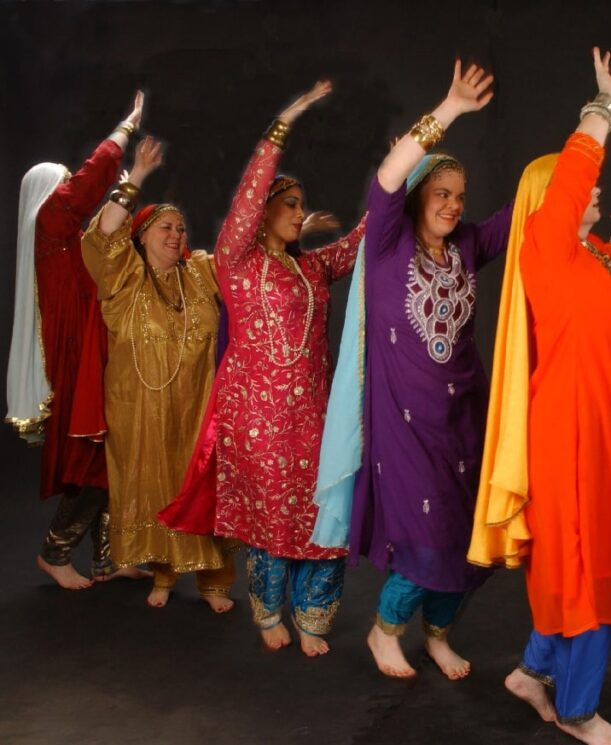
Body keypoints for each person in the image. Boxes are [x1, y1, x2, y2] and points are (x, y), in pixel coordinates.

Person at [469, 48, 611, 745]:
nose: (594, 188)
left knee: (577, 562)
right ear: (552, 202)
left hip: (598, 432)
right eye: (578, 188)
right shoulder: (543, 249)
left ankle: (532, 671)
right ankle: (579, 710)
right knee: (580, 567)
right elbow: (580, 168)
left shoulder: (589, 260)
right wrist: (601, 108)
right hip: (569, 435)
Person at [313, 59, 511, 680]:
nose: (453, 205)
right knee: (425, 538)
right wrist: (449, 108)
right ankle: (384, 631)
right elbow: (389, 173)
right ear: (419, 196)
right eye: (441, 193)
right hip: (403, 425)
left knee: (470, 542)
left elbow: (530, 210)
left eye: (459, 197)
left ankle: (439, 633)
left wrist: (595, 126)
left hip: (463, 421)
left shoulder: (467, 247)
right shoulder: (389, 242)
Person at [160, 81, 366, 656]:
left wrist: (399, 181)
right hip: (257, 416)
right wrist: (286, 118)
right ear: (266, 212)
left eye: (302, 205)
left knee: (325, 513)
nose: (300, 213)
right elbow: (249, 198)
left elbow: (364, 239)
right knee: (273, 517)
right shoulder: (237, 260)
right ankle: (270, 610)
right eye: (290, 204)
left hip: (314, 415)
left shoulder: (315, 269)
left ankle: (314, 614)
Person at [81, 136, 235, 611]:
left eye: (181, 229)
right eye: (165, 227)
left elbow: (242, 259)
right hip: (138, 406)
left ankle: (213, 584)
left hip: (196, 405)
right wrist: (137, 177)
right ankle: (163, 576)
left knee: (201, 487)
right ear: (142, 234)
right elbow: (102, 235)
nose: (176, 235)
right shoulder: (123, 279)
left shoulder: (201, 273)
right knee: (154, 485)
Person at [7, 92, 150, 589]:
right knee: (91, 456)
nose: (72, 190)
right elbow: (91, 183)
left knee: (109, 453)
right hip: (75, 357)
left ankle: (108, 558)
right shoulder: (51, 221)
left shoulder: (61, 236)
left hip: (89, 349)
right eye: (64, 185)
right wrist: (125, 128)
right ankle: (56, 550)